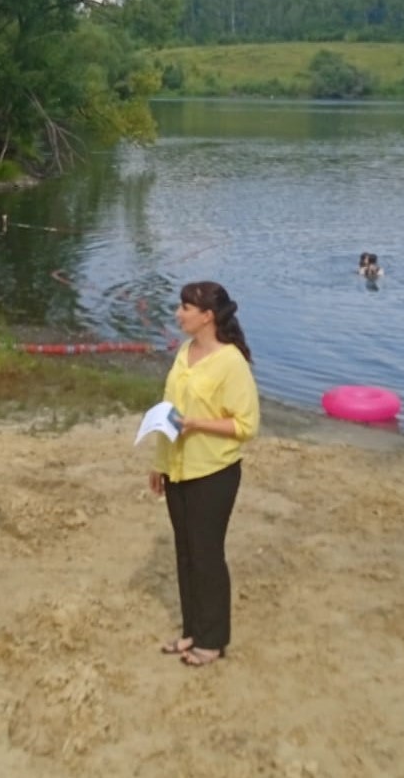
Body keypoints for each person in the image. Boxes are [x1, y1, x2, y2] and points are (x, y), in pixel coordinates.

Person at [149, 282, 259, 667]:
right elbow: (170, 410)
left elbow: (246, 425)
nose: (178, 314)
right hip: (177, 469)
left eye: (185, 308)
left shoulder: (231, 362)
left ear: (207, 316)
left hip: (214, 471)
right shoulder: (184, 352)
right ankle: (192, 631)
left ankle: (212, 641)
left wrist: (198, 424)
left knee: (207, 554)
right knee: (185, 552)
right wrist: (159, 462)